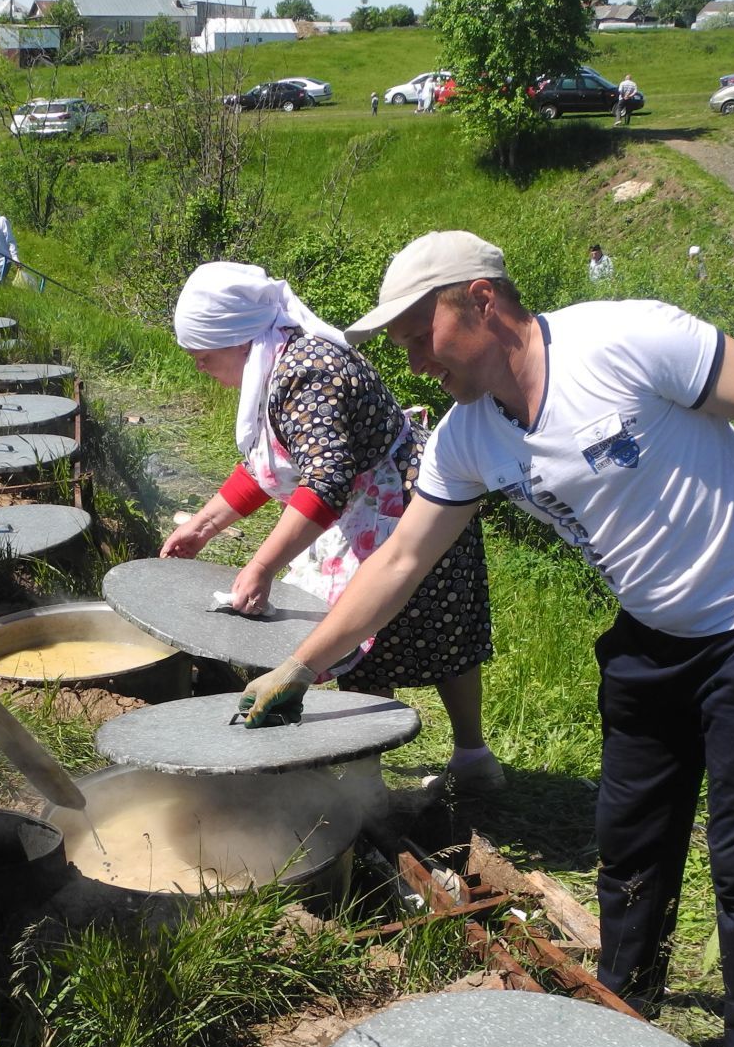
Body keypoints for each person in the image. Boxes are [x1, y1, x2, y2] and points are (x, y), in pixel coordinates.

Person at [238, 231, 734, 1047]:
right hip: (654, 633)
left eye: (417, 335)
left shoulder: (625, 342)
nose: (410, 361)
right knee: (630, 839)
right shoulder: (469, 436)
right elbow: (401, 558)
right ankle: (623, 1015)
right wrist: (301, 663)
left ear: (480, 301)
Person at [161, 261, 502, 794]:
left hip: (411, 508)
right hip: (369, 510)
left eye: (204, 357)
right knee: (368, 650)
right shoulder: (278, 362)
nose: (201, 369)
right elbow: (269, 465)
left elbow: (325, 481)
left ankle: (468, 759)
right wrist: (203, 526)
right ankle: (368, 779)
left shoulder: (306, 371)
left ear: (238, 339)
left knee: (436, 635)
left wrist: (260, 565)